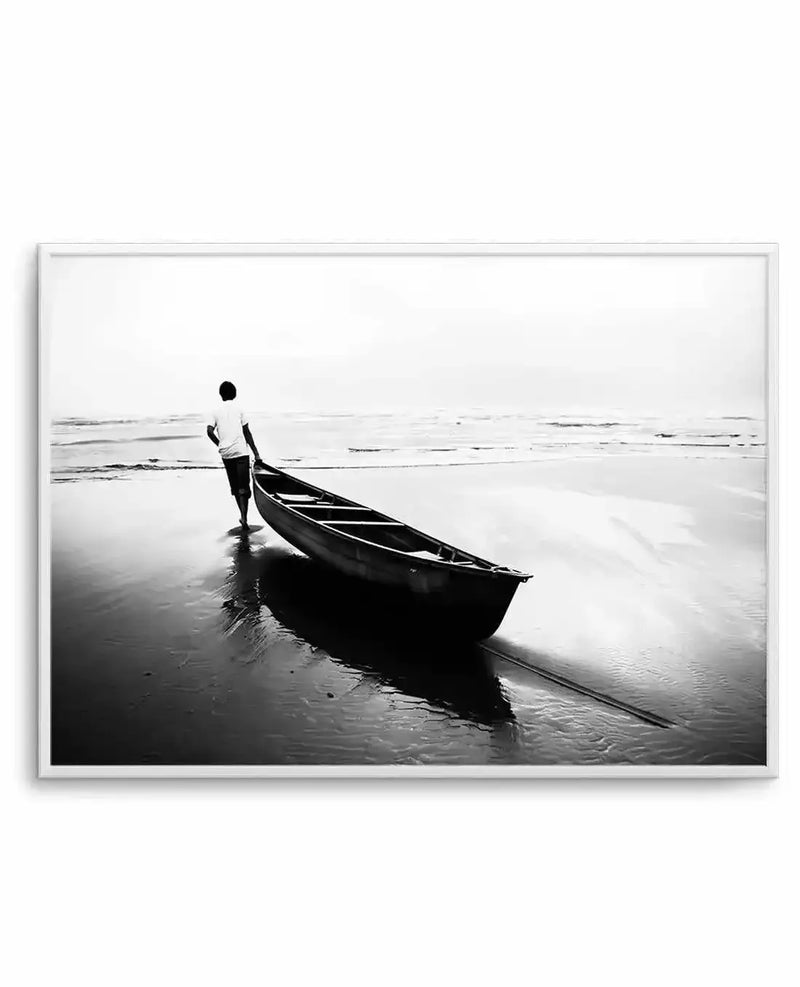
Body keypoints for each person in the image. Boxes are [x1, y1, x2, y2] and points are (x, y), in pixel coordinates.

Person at [206, 381, 261, 529]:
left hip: (226, 454)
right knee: (244, 488)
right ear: (234, 393)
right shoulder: (240, 409)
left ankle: (242, 517)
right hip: (241, 452)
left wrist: (219, 444)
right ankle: (244, 517)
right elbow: (247, 433)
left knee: (236, 488)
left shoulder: (215, 411)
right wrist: (256, 453)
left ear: (221, 394)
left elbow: (209, 431)